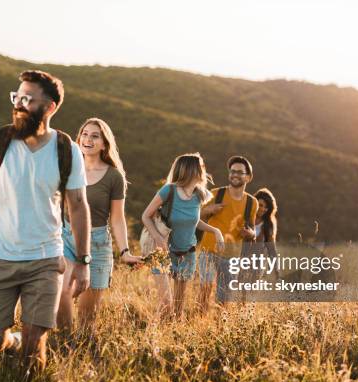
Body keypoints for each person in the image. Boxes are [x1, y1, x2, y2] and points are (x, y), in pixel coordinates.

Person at [0, 70, 91, 370]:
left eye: (28, 99)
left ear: (50, 107)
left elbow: (77, 205)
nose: (19, 104)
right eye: (17, 97)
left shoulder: (67, 150)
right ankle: (8, 340)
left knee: (33, 347)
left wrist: (83, 260)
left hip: (45, 258)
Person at [57, 118, 141, 333]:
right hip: (67, 238)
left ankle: (84, 350)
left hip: (97, 244)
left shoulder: (114, 177)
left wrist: (124, 251)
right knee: (63, 291)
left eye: (95, 136)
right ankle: (65, 344)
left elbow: (117, 218)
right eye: (85, 134)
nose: (88, 139)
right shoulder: (68, 169)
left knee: (87, 318)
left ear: (104, 144)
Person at [142, 153, 224, 319]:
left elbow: (194, 222)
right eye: (201, 166)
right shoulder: (168, 190)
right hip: (163, 252)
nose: (204, 169)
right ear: (191, 169)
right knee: (167, 303)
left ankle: (173, 335)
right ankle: (155, 336)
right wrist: (158, 238)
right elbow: (145, 216)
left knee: (178, 306)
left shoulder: (199, 195)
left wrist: (216, 231)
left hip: (187, 253)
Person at [197, 156, 259, 312]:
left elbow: (251, 231)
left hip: (232, 257)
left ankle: (219, 328)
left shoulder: (252, 203)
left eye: (240, 172)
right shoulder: (215, 194)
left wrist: (250, 234)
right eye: (232, 171)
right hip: (208, 251)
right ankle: (198, 324)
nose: (235, 174)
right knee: (204, 291)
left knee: (224, 299)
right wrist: (208, 210)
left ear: (248, 177)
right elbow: (196, 219)